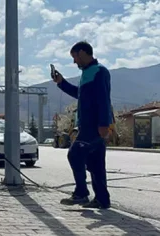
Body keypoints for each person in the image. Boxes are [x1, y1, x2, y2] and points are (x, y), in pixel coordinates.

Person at [52, 41, 113, 209]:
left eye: (75, 57)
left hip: (93, 125)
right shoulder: (87, 74)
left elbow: (103, 100)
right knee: (96, 163)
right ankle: (102, 199)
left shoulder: (99, 72)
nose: (74, 62)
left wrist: (103, 124)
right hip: (88, 125)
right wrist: (61, 82)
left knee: (75, 154)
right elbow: (79, 94)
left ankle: (81, 194)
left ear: (83, 53)